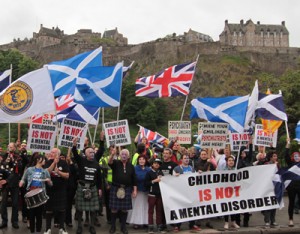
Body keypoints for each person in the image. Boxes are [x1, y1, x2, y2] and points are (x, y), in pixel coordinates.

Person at [72, 137, 103, 234]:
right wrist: (74, 145)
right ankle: (80, 226)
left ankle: (92, 226)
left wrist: (100, 188)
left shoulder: (96, 163)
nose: (93, 154)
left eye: (93, 152)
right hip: (82, 186)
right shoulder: (81, 161)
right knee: (80, 209)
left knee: (93, 209)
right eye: (90, 152)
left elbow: (99, 178)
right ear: (85, 154)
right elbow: (75, 154)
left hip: (93, 187)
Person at [19, 154, 52, 233]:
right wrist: (21, 182)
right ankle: (32, 231)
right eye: (43, 159)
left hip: (40, 193)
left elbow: (51, 184)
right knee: (31, 214)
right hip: (31, 192)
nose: (44, 161)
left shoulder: (45, 171)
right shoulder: (29, 169)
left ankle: (38, 231)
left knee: (39, 215)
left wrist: (49, 181)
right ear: (38, 160)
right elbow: (23, 178)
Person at [108, 148, 137, 234]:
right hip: (115, 188)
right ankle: (113, 226)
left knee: (124, 209)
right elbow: (110, 162)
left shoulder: (131, 166)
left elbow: (134, 179)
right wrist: (112, 154)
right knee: (114, 209)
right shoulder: (116, 163)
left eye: (125, 154)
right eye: (122, 154)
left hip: (127, 188)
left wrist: (134, 190)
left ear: (128, 156)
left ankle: (123, 227)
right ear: (120, 155)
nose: (124, 155)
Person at [173, 154, 201, 232]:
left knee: (191, 208)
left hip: (190, 192)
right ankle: (177, 225)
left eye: (187, 158)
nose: (186, 159)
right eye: (185, 158)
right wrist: (175, 176)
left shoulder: (192, 168)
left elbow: (195, 178)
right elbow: (171, 179)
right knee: (180, 208)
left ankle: (192, 224)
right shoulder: (177, 168)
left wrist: (198, 173)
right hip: (181, 192)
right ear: (181, 159)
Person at [44, 148, 69, 234]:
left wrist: (59, 173)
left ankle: (62, 228)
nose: (51, 153)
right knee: (49, 210)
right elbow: (46, 172)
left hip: (61, 190)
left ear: (58, 154)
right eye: (51, 152)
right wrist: (54, 163)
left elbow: (67, 175)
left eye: (53, 152)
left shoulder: (63, 163)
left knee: (62, 209)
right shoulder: (48, 162)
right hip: (50, 190)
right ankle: (48, 229)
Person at [0, 142, 24, 229]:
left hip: (14, 183)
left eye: (11, 147)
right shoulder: (4, 156)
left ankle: (14, 221)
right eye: (9, 146)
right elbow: (1, 168)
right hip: (4, 184)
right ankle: (4, 221)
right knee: (3, 203)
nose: (10, 148)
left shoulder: (18, 157)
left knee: (15, 203)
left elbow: (18, 170)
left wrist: (14, 161)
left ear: (14, 148)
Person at [127, 155, 151, 229]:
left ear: (146, 160)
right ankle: (136, 222)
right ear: (138, 160)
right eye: (140, 159)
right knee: (137, 207)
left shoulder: (149, 169)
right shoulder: (135, 168)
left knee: (146, 206)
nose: (141, 161)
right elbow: (132, 179)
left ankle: (145, 222)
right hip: (137, 190)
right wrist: (133, 190)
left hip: (146, 191)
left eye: (143, 159)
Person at [144, 158, 164, 234]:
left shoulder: (161, 172)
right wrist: (154, 181)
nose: (156, 164)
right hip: (151, 194)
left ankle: (159, 226)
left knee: (159, 210)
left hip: (159, 195)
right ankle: (150, 226)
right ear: (152, 164)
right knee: (150, 211)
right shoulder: (149, 173)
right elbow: (146, 183)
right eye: (155, 163)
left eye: (158, 163)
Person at [284, 140, 300, 227]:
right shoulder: (291, 164)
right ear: (293, 157)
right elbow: (286, 156)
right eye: (295, 156)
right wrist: (287, 145)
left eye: (298, 155)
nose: (297, 157)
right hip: (292, 187)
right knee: (292, 202)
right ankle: (291, 219)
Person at [223, 156, 240, 230]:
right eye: (229, 160)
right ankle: (226, 222)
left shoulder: (236, 170)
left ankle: (233, 222)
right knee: (226, 207)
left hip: (234, 191)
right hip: (225, 191)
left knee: (233, 206)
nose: (231, 162)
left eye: (232, 160)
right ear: (227, 162)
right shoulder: (223, 170)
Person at [263, 151, 279, 228]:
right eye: (274, 156)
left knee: (274, 204)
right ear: (271, 157)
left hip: (275, 186)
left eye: (276, 156)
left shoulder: (277, 165)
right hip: (268, 186)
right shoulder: (267, 165)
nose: (276, 158)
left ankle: (273, 220)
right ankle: (267, 221)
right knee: (268, 204)